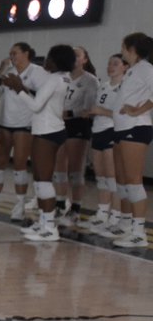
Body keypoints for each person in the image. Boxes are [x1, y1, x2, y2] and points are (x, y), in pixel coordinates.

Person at [1, 44, 74, 241]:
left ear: (57, 60)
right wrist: (22, 88)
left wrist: (18, 88)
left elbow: (35, 105)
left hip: (47, 131)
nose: (45, 61)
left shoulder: (53, 78)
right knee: (41, 179)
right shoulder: (63, 77)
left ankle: (49, 227)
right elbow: (42, 99)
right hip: (51, 128)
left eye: (49, 57)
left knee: (43, 180)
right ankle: (43, 222)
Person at [109, 32, 153, 248]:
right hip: (122, 129)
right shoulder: (134, 70)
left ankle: (139, 232)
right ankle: (127, 225)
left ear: (133, 49)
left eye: (124, 47)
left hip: (136, 128)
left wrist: (138, 110)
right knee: (124, 179)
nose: (122, 50)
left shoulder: (146, 68)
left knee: (134, 180)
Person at [0, 42, 47, 222]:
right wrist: (0, 71)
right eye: (10, 53)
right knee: (0, 161)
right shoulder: (7, 70)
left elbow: (42, 97)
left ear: (27, 53)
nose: (12, 56)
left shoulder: (37, 72)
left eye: (15, 53)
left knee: (19, 163)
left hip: (24, 123)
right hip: (5, 121)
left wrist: (20, 86)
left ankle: (19, 205)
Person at [80, 53, 127, 234]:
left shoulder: (125, 87)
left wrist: (102, 111)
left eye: (115, 63)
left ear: (125, 67)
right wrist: (90, 112)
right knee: (100, 176)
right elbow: (97, 108)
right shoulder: (104, 86)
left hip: (112, 130)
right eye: (109, 63)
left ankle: (115, 217)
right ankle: (102, 215)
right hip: (98, 130)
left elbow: (124, 113)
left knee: (112, 177)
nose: (111, 66)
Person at [54, 46, 98, 224]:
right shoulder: (60, 77)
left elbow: (90, 109)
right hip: (58, 124)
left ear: (85, 59)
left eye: (78, 55)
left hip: (78, 125)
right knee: (59, 170)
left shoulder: (90, 81)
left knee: (75, 170)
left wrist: (71, 113)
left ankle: (76, 208)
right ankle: (59, 204)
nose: (74, 58)